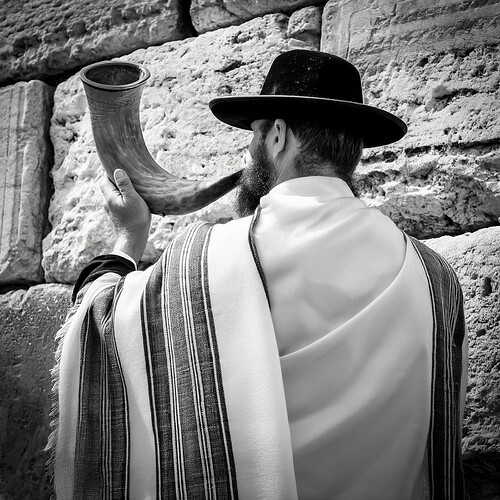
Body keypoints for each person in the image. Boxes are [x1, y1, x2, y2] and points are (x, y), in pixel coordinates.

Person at [48, 50, 468, 499]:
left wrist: (127, 239)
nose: (250, 152)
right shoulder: (435, 279)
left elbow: (98, 329)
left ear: (278, 136)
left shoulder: (206, 258)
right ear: (355, 150)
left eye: (254, 135)